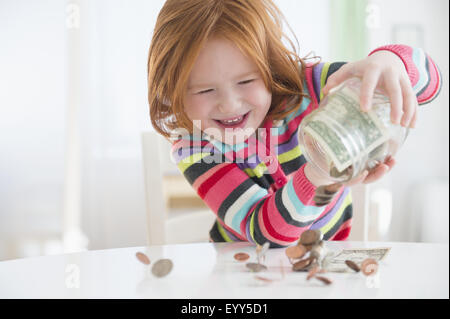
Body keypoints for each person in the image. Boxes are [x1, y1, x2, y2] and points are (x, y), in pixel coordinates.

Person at [147, 0, 441, 247]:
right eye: (205, 90)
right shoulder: (194, 145)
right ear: (175, 91)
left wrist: (391, 63)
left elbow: (430, 81)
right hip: (242, 272)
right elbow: (265, 234)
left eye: (246, 81)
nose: (230, 104)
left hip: (326, 260)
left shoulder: (308, 85)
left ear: (272, 69)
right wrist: (318, 173)